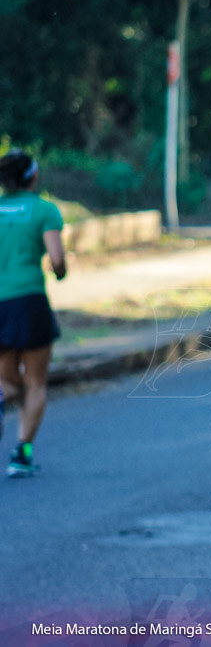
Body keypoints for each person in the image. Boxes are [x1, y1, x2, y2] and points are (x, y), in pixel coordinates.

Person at [0, 149, 67, 478]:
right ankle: (22, 452)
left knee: (8, 379)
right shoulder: (44, 210)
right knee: (36, 382)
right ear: (33, 177)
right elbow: (56, 260)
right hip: (28, 301)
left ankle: (2, 396)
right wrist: (60, 271)